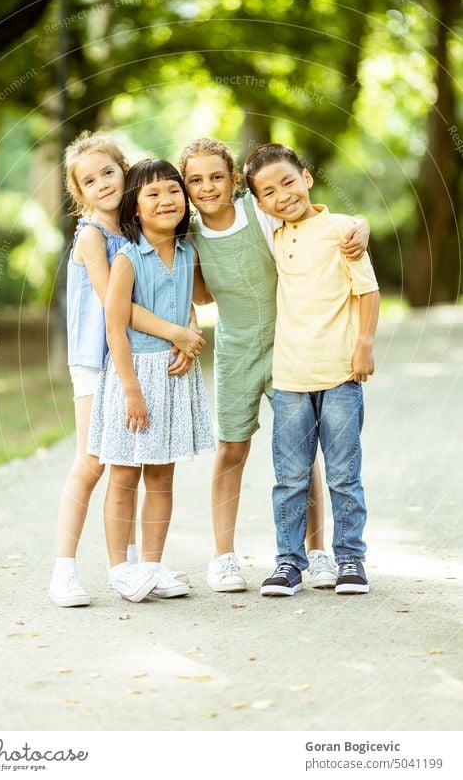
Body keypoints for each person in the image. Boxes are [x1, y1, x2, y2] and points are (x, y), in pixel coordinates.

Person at [179, 138, 370, 593]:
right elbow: (199, 293)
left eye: (217, 177)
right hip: (237, 351)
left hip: (290, 346)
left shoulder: (259, 211)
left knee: (303, 456)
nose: (208, 187)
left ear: (236, 182)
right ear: (185, 186)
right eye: (195, 180)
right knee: (232, 448)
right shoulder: (188, 233)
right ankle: (223, 557)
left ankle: (317, 551)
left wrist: (360, 223)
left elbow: (313, 217)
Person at [49, 133, 206, 607]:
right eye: (89, 180)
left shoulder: (141, 230)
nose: (102, 184)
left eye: (108, 172)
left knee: (144, 460)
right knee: (95, 461)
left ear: (125, 171)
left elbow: (174, 289)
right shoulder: (95, 235)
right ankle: (65, 570)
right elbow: (114, 306)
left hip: (139, 358)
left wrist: (186, 328)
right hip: (97, 361)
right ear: (80, 193)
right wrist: (180, 333)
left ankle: (140, 567)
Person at [244, 143, 379, 596]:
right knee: (290, 478)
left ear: (307, 177)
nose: (282, 195)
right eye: (269, 192)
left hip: (341, 374)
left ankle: (351, 560)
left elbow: (368, 292)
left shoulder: (342, 230)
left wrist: (364, 347)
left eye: (288, 181)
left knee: (343, 474)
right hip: (290, 379)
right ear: (260, 205)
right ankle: (287, 564)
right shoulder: (275, 235)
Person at [87, 159, 215, 602]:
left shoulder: (186, 254)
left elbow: (187, 306)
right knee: (123, 474)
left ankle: (153, 564)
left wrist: (188, 337)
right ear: (135, 207)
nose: (166, 200)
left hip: (174, 375)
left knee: (162, 476)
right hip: (135, 377)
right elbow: (114, 327)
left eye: (174, 191)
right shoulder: (127, 257)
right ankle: (119, 569)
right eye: (152, 194)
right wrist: (132, 391)